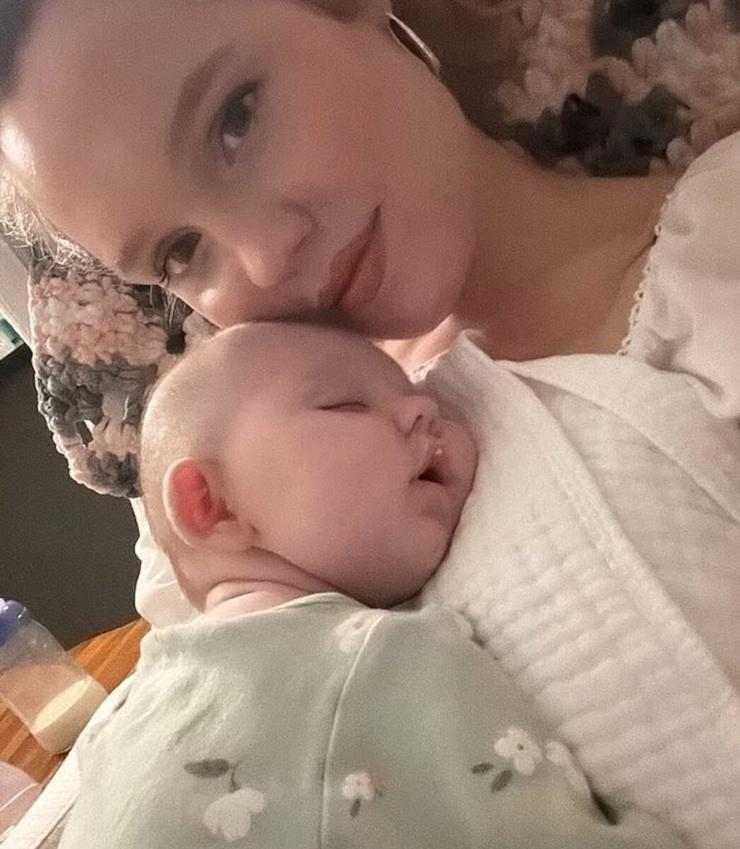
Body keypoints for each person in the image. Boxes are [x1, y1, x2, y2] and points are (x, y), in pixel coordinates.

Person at [0, 1, 737, 846]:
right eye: (179, 252)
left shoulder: (716, 270)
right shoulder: (245, 465)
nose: (263, 258)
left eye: (236, 119)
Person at [58, 320, 688, 849]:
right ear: (213, 506)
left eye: (418, 396)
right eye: (346, 405)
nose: (424, 408)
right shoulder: (384, 662)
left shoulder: (119, 720)